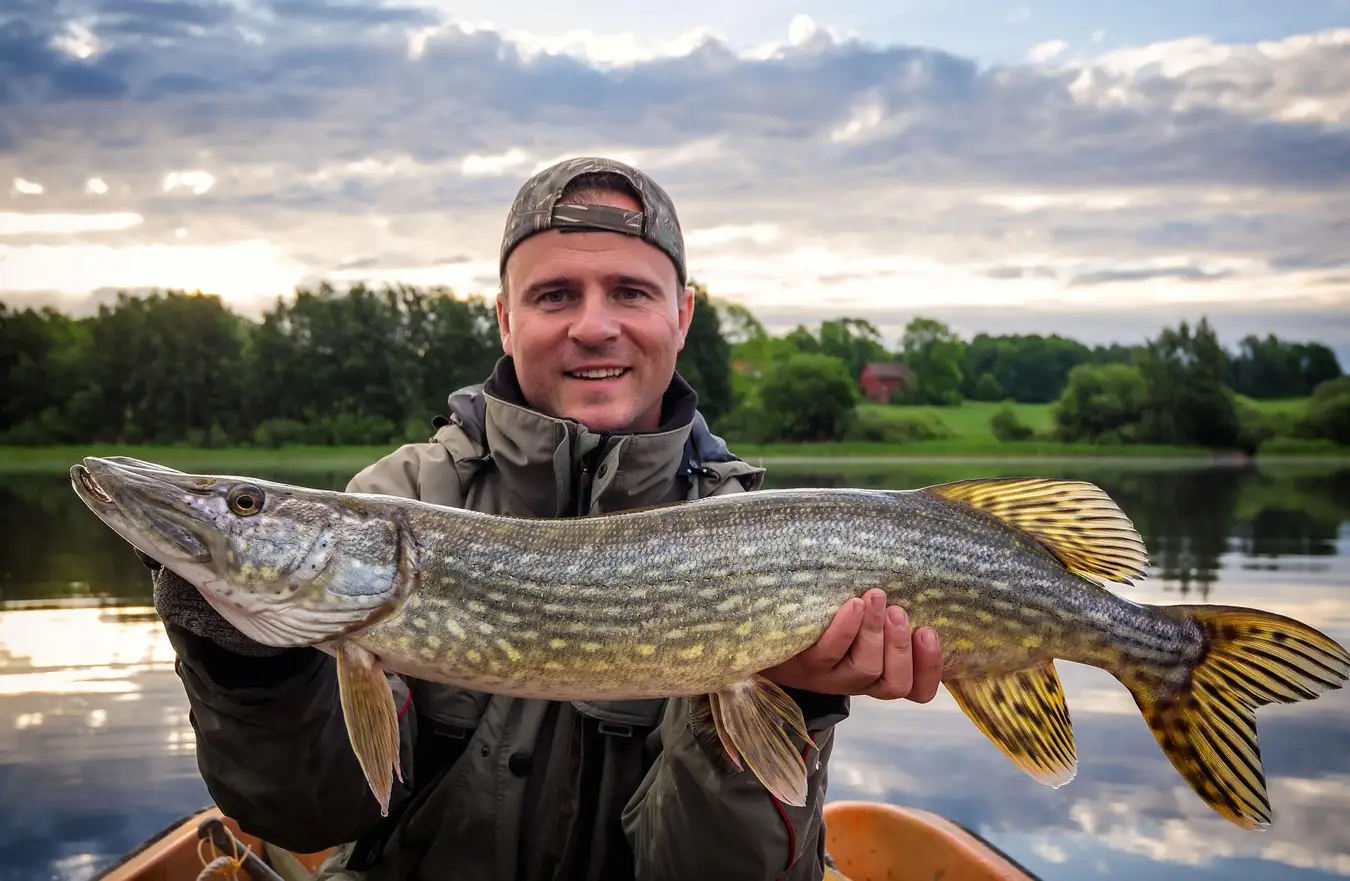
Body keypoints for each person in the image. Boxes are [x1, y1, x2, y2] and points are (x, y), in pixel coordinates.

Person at [144, 156, 944, 881]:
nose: (593, 325)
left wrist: (790, 695)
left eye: (630, 291)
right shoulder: (404, 496)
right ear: (504, 318)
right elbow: (309, 815)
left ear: (682, 315)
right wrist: (251, 664)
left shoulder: (745, 534)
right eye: (555, 294)